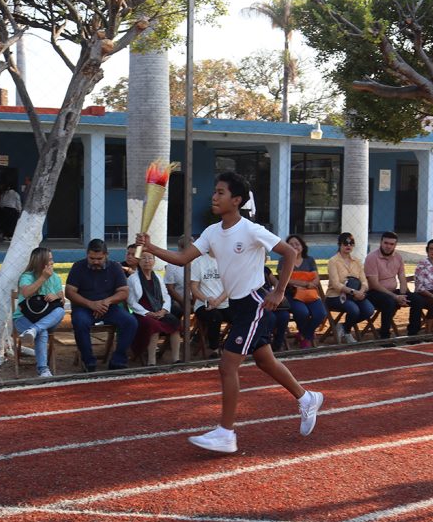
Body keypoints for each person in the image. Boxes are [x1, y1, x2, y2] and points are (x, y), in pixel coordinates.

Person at [137, 172, 324, 453]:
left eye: (221, 192)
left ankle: (226, 433)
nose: (214, 196)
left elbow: (288, 254)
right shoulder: (212, 233)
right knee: (265, 361)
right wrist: (150, 246)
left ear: (236, 200)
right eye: (214, 191)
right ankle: (306, 397)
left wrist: (279, 291)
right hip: (237, 306)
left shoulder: (250, 229)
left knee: (227, 365)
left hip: (254, 304)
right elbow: (182, 258)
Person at [65, 239, 137, 372]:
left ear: (106, 255)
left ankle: (118, 360)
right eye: (92, 258)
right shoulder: (78, 267)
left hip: (108, 307)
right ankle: (88, 362)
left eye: (99, 258)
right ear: (87, 254)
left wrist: (106, 302)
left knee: (130, 322)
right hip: (84, 307)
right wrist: (91, 304)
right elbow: (69, 292)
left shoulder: (115, 267)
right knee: (80, 322)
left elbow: (124, 292)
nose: (95, 262)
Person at [13, 247, 66, 378]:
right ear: (40, 262)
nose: (52, 262)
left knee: (60, 310)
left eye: (52, 259)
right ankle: (43, 370)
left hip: (47, 318)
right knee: (42, 331)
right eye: (49, 259)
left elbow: (62, 299)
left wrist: (56, 296)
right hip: (24, 319)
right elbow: (25, 293)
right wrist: (43, 277)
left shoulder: (55, 278)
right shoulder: (27, 276)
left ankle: (34, 329)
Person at [364, 231, 425, 338]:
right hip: (374, 293)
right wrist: (395, 297)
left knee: (417, 299)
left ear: (395, 245)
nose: (388, 246)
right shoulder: (371, 257)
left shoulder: (398, 257)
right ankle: (385, 336)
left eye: (391, 244)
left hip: (393, 292)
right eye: (386, 243)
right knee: (389, 302)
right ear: (381, 242)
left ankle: (413, 333)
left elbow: (402, 278)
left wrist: (402, 295)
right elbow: (374, 284)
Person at [128, 253, 181, 365]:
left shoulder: (158, 277)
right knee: (153, 325)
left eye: (150, 258)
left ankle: (176, 359)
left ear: (154, 261)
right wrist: (148, 313)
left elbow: (166, 296)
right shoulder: (133, 279)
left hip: (159, 310)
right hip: (142, 313)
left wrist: (164, 310)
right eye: (143, 258)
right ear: (139, 261)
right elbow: (131, 302)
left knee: (175, 323)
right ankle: (152, 361)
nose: (147, 261)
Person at [326, 232, 374, 345]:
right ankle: (347, 333)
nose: (348, 246)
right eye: (345, 243)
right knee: (354, 310)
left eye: (351, 243)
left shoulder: (357, 261)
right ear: (339, 244)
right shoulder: (333, 261)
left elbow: (364, 281)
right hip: (336, 296)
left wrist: (361, 291)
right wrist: (353, 292)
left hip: (356, 295)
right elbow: (336, 284)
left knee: (369, 310)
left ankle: (343, 326)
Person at [282, 234, 327, 348]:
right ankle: (307, 337)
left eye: (297, 244)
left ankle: (304, 335)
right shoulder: (284, 260)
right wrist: (306, 283)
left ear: (302, 246)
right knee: (302, 313)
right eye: (291, 245)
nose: (294, 246)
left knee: (321, 313)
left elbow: (316, 278)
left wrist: (310, 284)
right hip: (293, 294)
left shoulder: (309, 260)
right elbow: (286, 279)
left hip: (310, 294)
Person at [191, 250, 232, 358]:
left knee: (241, 318)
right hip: (203, 304)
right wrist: (206, 299)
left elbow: (230, 287)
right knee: (215, 317)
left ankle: (228, 347)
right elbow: (194, 287)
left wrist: (218, 301)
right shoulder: (198, 262)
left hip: (224, 303)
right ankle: (214, 349)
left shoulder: (228, 260)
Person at [264, 266, 292, 352]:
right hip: (258, 302)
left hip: (271, 300)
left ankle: (278, 344)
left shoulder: (265, 269)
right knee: (270, 317)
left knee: (284, 316)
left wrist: (274, 292)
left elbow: (276, 283)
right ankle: (265, 344)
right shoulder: (246, 268)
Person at [164, 236, 190, 323]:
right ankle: (177, 330)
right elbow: (170, 288)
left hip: (198, 298)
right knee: (176, 309)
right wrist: (183, 302)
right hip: (179, 299)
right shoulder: (172, 264)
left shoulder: (198, 262)